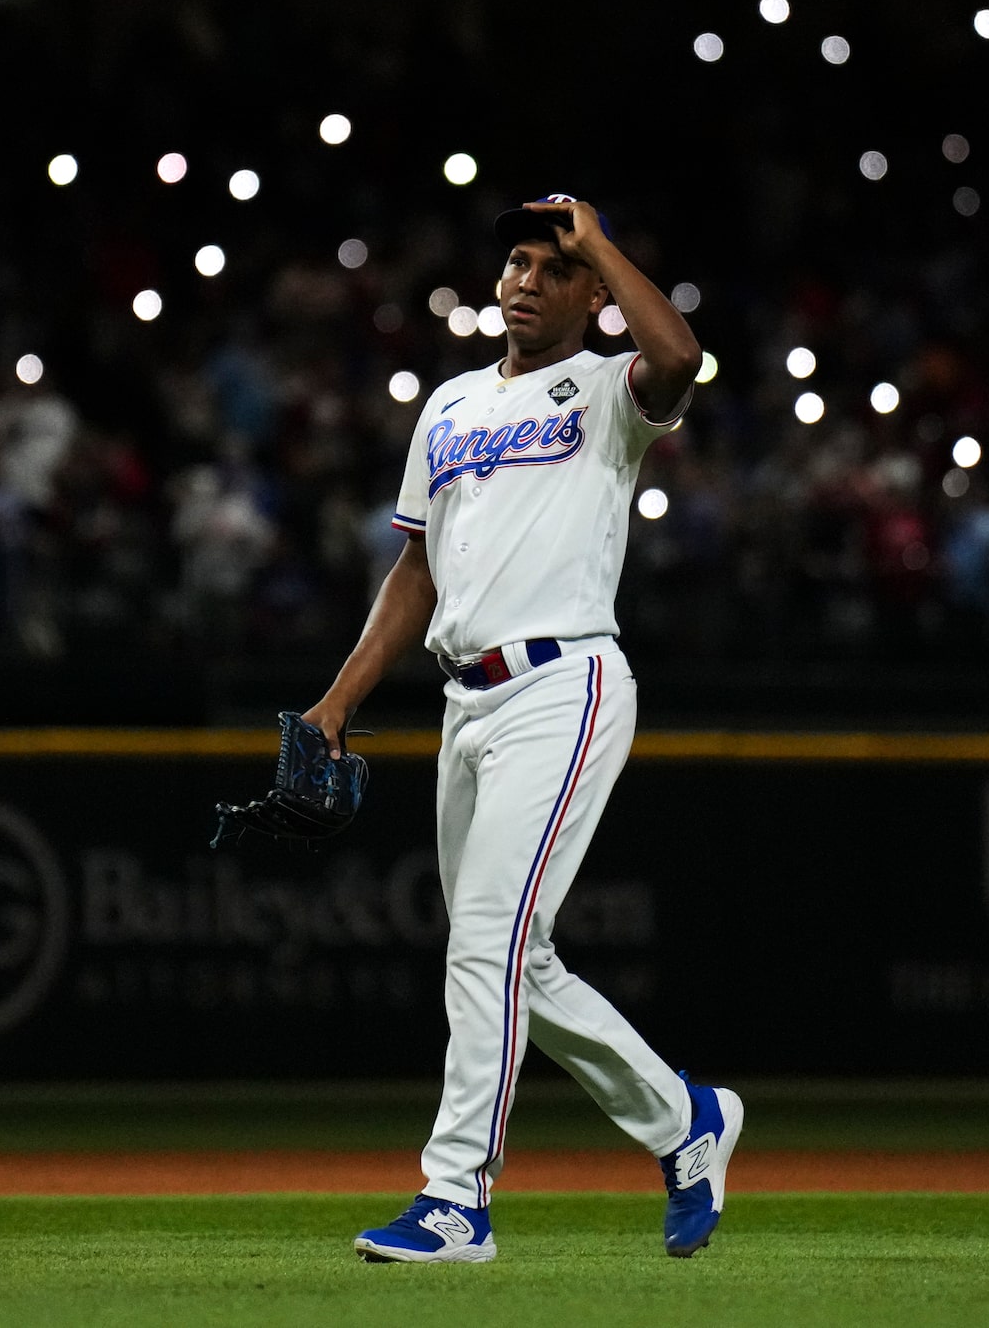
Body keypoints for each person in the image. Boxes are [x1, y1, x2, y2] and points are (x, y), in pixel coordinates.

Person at [299, 193, 740, 1264]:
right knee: (512, 959)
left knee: (488, 945)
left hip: (564, 683)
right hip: (465, 701)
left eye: (553, 269)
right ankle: (687, 1124)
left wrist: (600, 243)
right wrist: (337, 701)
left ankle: (455, 1201)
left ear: (594, 295)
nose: (525, 280)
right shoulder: (447, 405)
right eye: (516, 263)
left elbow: (677, 357)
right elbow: (414, 569)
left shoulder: (604, 390)